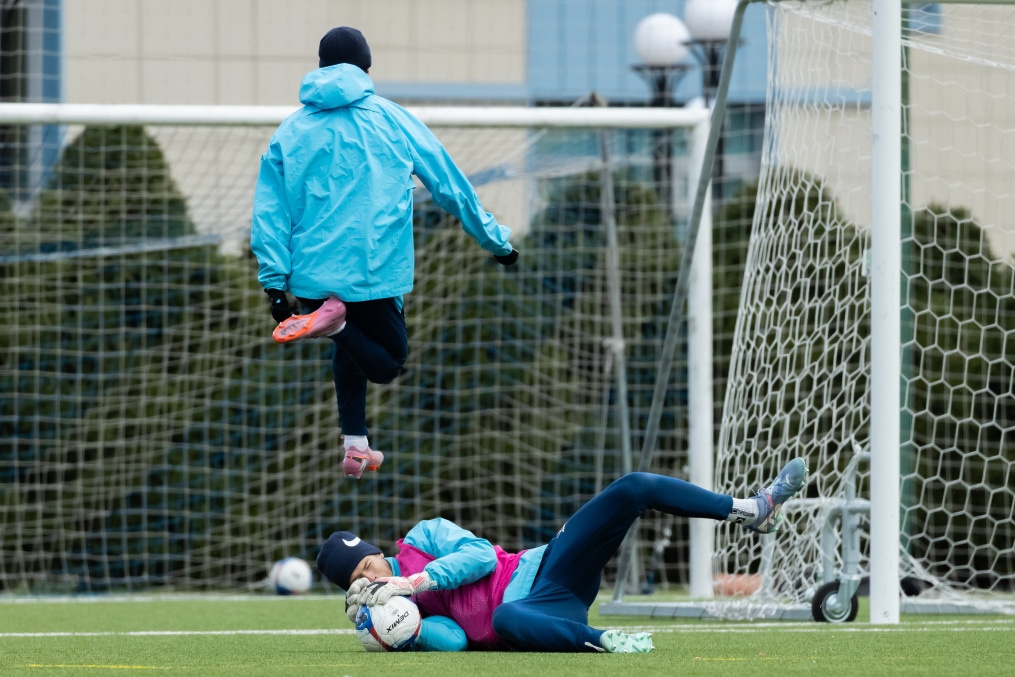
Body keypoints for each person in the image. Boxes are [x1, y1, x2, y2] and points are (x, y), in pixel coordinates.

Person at [250, 26, 518, 479]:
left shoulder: (291, 130)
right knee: (387, 363)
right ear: (366, 67)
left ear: (320, 69)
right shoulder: (391, 117)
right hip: (374, 269)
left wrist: (274, 285)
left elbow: (269, 211)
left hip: (313, 275)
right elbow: (450, 185)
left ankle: (355, 443)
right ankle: (338, 325)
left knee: (343, 339)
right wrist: (498, 243)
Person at [316, 458, 808, 653]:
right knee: (506, 616)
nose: (373, 571)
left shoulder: (423, 537)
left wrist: (415, 583)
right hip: (534, 616)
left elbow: (483, 558)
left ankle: (751, 508)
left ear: (377, 551)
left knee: (632, 487)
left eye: (368, 561)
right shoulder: (385, 609)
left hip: (548, 567)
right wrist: (406, 630)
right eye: (361, 574)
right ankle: (603, 640)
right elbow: (458, 643)